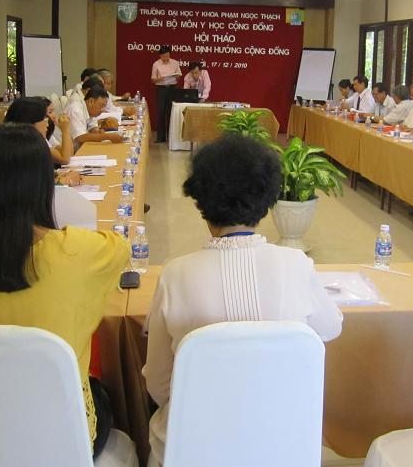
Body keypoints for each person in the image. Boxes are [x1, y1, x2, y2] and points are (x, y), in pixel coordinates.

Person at [0, 124, 129, 457]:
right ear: (45, 185)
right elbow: (121, 249)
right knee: (109, 394)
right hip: (62, 438)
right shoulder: (78, 251)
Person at [142, 135, 343, 465]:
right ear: (266, 200)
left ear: (201, 202)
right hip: (280, 446)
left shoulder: (175, 274)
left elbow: (158, 385)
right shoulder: (296, 264)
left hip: (192, 449)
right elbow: (331, 327)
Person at [5, 96, 75, 168]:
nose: (47, 124)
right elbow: (64, 159)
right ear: (30, 121)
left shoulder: (33, 140)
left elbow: (69, 153)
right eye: (44, 118)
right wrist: (65, 130)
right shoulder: (25, 147)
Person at [151, 45, 182, 142]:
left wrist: (176, 76)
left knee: (171, 112)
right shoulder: (156, 64)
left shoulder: (175, 63)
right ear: (160, 56)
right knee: (161, 112)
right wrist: (160, 78)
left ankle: (171, 137)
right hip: (161, 89)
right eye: (164, 56)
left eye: (168, 55)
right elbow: (153, 79)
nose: (166, 58)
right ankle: (160, 137)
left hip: (172, 89)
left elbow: (179, 77)